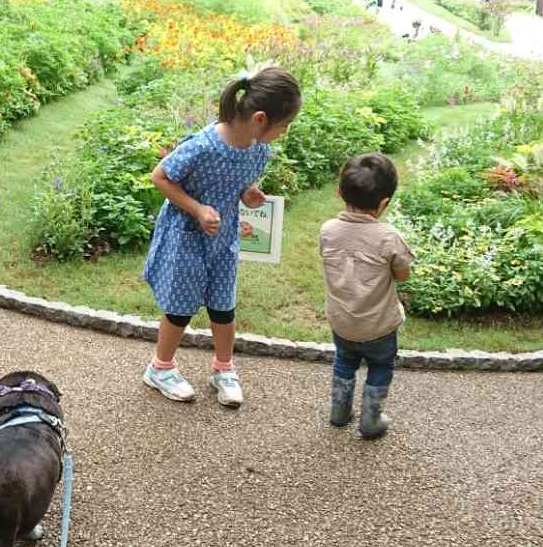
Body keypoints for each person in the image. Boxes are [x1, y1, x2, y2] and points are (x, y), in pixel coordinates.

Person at [141, 67, 303, 407]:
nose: (285, 132)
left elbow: (239, 186)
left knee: (223, 306)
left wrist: (249, 194)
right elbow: (160, 177)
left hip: (222, 239)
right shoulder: (203, 146)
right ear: (260, 118)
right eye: (284, 125)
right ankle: (160, 367)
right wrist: (198, 209)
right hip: (186, 236)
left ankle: (223, 369)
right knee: (180, 308)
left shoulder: (258, 150)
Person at [320, 153, 413, 439]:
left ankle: (339, 411)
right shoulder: (388, 237)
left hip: (342, 322)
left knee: (344, 361)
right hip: (379, 326)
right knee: (380, 366)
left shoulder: (328, 231)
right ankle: (371, 419)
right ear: (384, 202)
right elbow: (402, 274)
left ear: (339, 193)